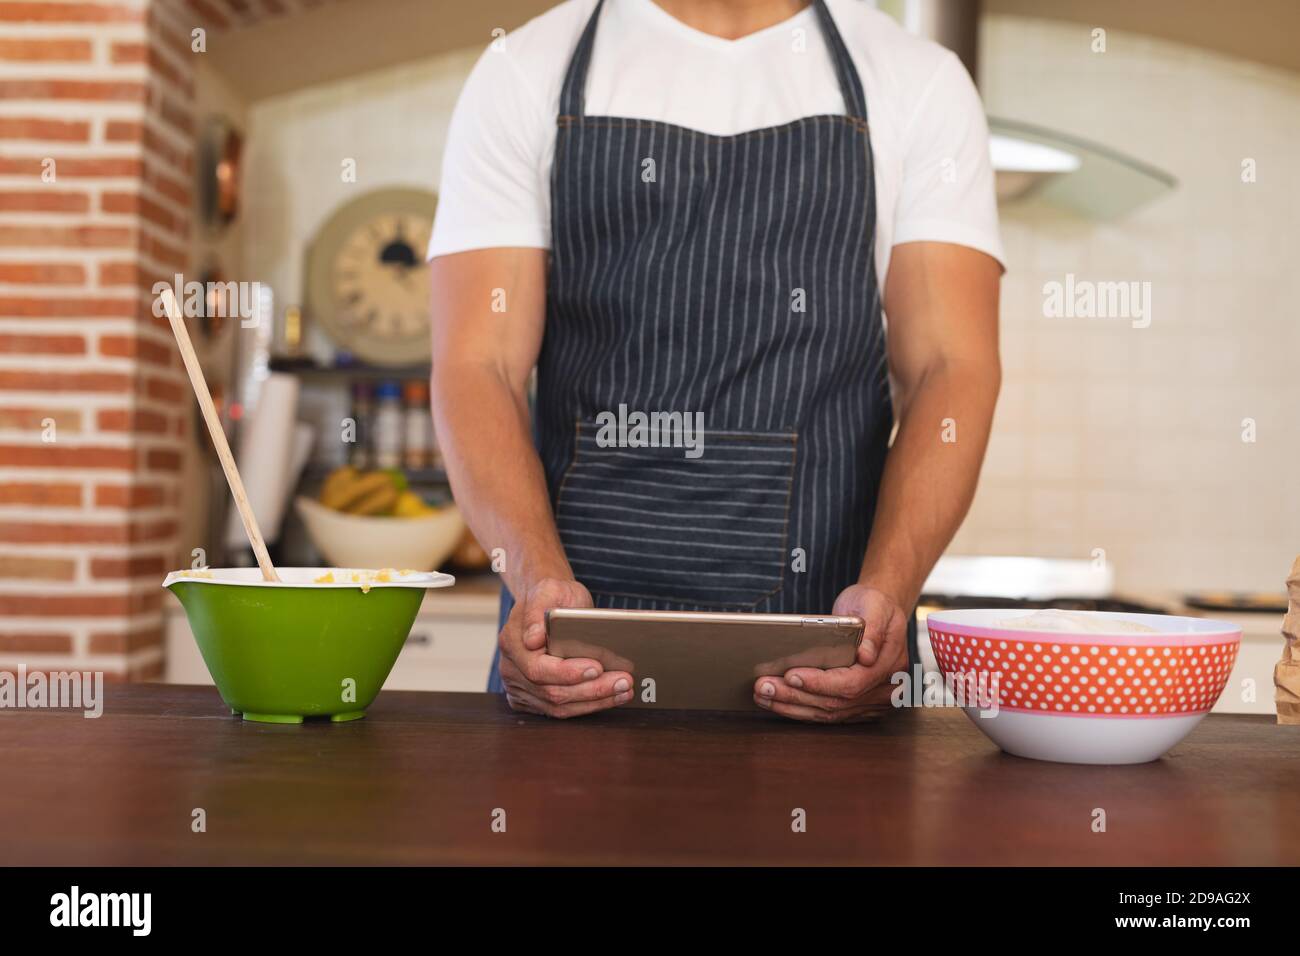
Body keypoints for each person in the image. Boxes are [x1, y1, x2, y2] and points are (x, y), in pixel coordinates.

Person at [428, 0, 1003, 721]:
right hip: (570, 660)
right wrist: (536, 578)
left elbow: (950, 369)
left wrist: (888, 592)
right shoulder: (523, 73)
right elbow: (479, 364)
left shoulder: (917, 81)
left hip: (829, 656)